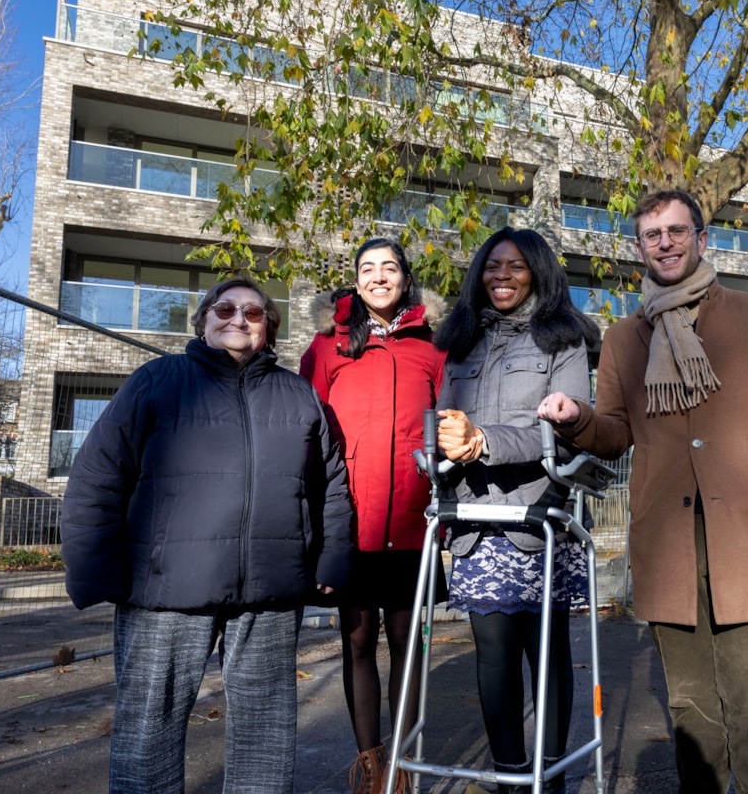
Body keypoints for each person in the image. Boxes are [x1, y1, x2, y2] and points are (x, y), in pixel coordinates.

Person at [537, 190, 748, 794]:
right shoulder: (622, 338)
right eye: (651, 234)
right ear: (639, 247)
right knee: (691, 715)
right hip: (667, 547)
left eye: (675, 230)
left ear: (701, 236)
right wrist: (576, 417)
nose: (664, 242)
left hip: (747, 540)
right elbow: (616, 435)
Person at [61, 276, 353, 794]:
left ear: (269, 329)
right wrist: (92, 568)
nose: (239, 319)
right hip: (165, 590)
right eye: (225, 309)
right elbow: (97, 477)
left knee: (265, 732)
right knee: (148, 729)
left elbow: (331, 486)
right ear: (203, 321)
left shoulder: (300, 395)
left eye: (254, 313)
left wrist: (331, 562)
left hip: (271, 591)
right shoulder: (156, 381)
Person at [433, 226, 600, 794]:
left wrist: (485, 440)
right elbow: (443, 424)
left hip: (539, 520)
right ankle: (509, 778)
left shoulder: (564, 338)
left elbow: (567, 432)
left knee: (546, 652)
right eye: (492, 267)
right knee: (493, 656)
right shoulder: (457, 342)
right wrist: (438, 452)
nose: (501, 276)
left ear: (538, 273)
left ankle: (547, 778)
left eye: (516, 267)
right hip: (478, 522)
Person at [299, 238, 446, 794]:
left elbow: (450, 424)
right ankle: (369, 764)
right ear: (356, 280)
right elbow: (306, 430)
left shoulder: (433, 348)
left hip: (413, 523)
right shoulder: (328, 346)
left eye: (389, 268)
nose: (379, 277)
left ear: (406, 279)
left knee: (409, 646)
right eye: (368, 269)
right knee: (357, 643)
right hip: (350, 522)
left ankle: (404, 766)